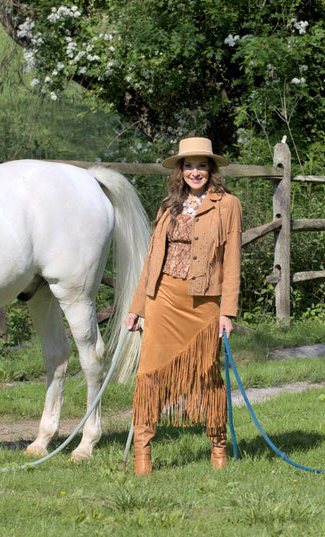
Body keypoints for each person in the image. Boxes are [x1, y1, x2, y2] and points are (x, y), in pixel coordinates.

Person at [124, 137, 242, 476]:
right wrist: (137, 307)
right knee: (149, 374)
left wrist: (227, 311)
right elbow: (151, 260)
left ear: (211, 169)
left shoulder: (227, 205)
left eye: (201, 165)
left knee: (208, 375)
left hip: (204, 303)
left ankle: (218, 444)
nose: (195, 172)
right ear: (180, 170)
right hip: (162, 299)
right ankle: (142, 452)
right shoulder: (168, 205)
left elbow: (232, 260)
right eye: (188, 166)